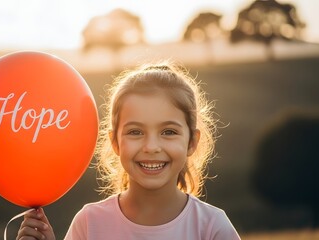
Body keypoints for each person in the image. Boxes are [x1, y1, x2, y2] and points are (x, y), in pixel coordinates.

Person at [16, 62, 241, 240]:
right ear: (115, 142)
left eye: (169, 132)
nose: (151, 147)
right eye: (135, 132)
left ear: (192, 141)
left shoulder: (212, 226)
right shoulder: (90, 222)